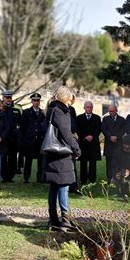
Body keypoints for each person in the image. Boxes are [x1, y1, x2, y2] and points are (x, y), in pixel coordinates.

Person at [43, 86, 81, 231]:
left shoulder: (51, 109)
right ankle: (65, 220)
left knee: (54, 187)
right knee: (64, 186)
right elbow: (66, 133)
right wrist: (77, 149)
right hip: (61, 155)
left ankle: (53, 219)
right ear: (65, 97)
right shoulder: (61, 111)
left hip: (53, 154)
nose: (71, 102)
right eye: (70, 98)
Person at [21, 93, 46, 183]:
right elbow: (23, 127)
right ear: (31, 101)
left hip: (39, 140)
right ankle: (26, 177)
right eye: (34, 100)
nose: (36, 102)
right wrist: (25, 139)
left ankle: (40, 177)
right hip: (30, 140)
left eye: (38, 100)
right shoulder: (26, 112)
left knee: (40, 160)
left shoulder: (43, 113)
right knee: (28, 160)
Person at [76, 101, 101, 185]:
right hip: (83, 143)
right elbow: (78, 129)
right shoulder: (79, 118)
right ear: (84, 108)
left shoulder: (97, 118)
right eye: (87, 107)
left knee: (93, 162)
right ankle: (83, 179)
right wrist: (85, 136)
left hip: (93, 143)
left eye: (90, 107)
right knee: (83, 162)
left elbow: (98, 129)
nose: (89, 108)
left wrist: (92, 136)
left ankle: (92, 179)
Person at [1, 90, 22, 183]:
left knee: (13, 158)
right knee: (3, 158)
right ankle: (4, 176)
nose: (9, 99)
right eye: (7, 98)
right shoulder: (0, 110)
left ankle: (10, 176)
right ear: (3, 98)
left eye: (10, 98)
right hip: (3, 139)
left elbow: (20, 124)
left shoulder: (16, 110)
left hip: (13, 139)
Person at [101, 104, 126, 183]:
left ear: (116, 110)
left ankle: (118, 179)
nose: (110, 112)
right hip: (109, 145)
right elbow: (103, 129)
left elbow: (123, 130)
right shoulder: (105, 119)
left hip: (118, 145)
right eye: (109, 111)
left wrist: (117, 137)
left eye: (112, 111)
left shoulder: (122, 119)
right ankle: (109, 180)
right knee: (109, 163)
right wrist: (110, 137)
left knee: (119, 163)